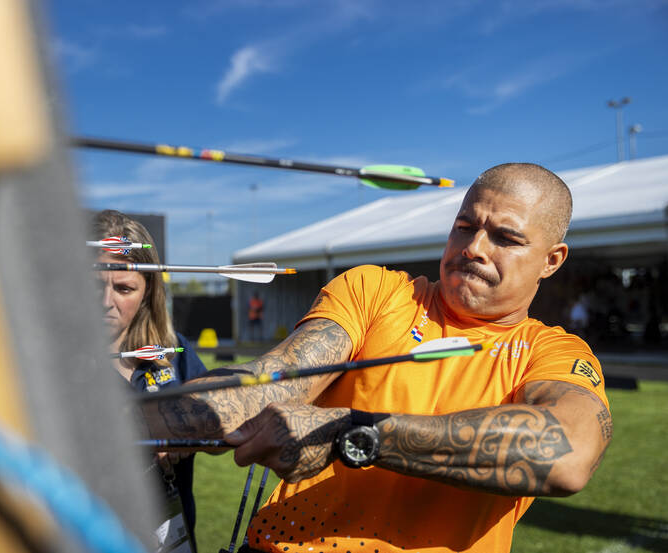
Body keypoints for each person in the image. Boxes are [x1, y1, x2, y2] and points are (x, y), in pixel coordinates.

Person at [141, 164, 613, 553]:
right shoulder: (377, 291)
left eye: (505, 238)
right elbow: (274, 381)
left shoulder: (551, 352)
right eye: (465, 227)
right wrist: (129, 419)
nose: (473, 248)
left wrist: (353, 433)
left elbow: (568, 455)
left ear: (552, 260)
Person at [93, 210, 207, 551]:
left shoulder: (174, 351)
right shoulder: (57, 361)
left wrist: (188, 429)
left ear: (148, 291)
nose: (105, 303)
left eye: (124, 288)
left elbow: (220, 423)